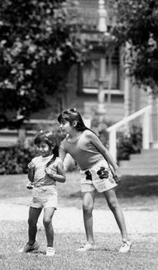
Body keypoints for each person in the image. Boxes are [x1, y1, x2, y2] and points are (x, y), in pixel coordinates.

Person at [57, 108, 132, 253]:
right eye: (60, 123)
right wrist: (51, 169)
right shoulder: (64, 144)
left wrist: (116, 168)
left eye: (63, 123)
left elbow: (104, 151)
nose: (60, 126)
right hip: (85, 173)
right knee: (86, 207)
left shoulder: (88, 135)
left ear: (74, 123)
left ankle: (126, 240)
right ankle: (90, 242)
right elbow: (59, 163)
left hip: (100, 168)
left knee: (112, 203)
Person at [19, 130, 66, 257]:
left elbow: (63, 178)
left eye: (43, 146)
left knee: (46, 220)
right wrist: (30, 171)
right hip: (37, 194)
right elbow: (32, 179)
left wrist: (53, 174)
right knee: (31, 221)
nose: (40, 149)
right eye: (38, 146)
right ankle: (31, 243)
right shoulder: (35, 160)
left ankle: (50, 247)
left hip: (50, 194)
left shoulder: (56, 161)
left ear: (52, 146)